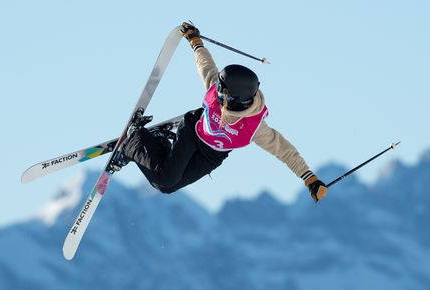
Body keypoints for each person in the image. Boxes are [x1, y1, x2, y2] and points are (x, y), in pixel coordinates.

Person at [121, 22, 327, 203]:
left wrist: (309, 178)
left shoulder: (254, 126)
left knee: (167, 187)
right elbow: (206, 66)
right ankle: (135, 139)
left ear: (236, 100)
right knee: (165, 178)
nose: (216, 95)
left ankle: (156, 144)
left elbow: (284, 150)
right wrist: (195, 42)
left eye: (221, 96)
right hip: (193, 133)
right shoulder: (217, 88)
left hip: (211, 156)